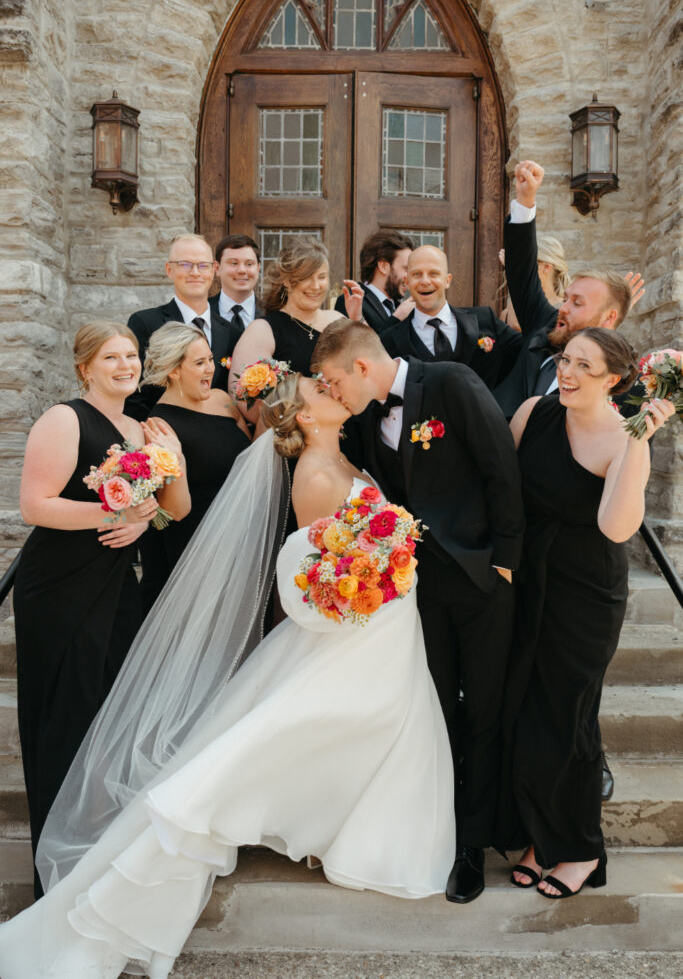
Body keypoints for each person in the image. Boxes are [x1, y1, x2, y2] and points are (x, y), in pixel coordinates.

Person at [0, 374, 455, 979]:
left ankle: (346, 828)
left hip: (387, 630)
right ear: (304, 413)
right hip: (356, 626)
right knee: (287, 739)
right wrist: (369, 580)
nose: (336, 391)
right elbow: (311, 570)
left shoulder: (347, 453)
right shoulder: (316, 475)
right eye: (322, 388)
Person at [312, 319, 525, 905]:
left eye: (332, 381)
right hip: (416, 589)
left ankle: (473, 847)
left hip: (481, 578)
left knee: (483, 711)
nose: (332, 393)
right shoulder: (361, 420)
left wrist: (505, 560)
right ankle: (441, 832)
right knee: (434, 710)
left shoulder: (451, 382)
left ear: (359, 367)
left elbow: (499, 464)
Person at [12, 321, 190, 899]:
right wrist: (116, 518)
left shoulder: (142, 429)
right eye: (110, 357)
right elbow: (35, 506)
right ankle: (54, 878)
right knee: (65, 717)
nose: (125, 366)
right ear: (85, 367)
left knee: (114, 716)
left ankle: (96, 855)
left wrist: (171, 468)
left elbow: (166, 512)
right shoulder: (64, 419)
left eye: (131, 356)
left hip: (116, 586)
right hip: (58, 588)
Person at [499, 328, 675, 899]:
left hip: (584, 595)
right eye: (564, 359)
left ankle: (577, 849)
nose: (567, 372)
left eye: (584, 365)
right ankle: (536, 835)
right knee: (523, 709)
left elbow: (617, 528)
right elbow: (502, 491)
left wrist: (640, 440)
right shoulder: (533, 412)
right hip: (525, 581)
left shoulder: (625, 439)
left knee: (567, 716)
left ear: (615, 381)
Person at [493, 161, 643, 420]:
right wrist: (525, 201)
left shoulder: (626, 387)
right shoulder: (544, 324)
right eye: (565, 299)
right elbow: (522, 274)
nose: (562, 308)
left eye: (577, 303)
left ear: (609, 318)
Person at [138, 322, 252, 611]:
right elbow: (172, 511)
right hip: (200, 545)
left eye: (211, 360)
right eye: (200, 363)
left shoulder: (223, 400)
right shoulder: (159, 426)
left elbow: (251, 455)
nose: (210, 369)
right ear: (174, 370)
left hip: (242, 532)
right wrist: (179, 462)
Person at [227, 236, 350, 426]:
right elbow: (244, 401)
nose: (316, 286)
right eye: (306, 278)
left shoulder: (339, 320)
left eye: (322, 277)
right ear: (286, 280)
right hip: (294, 438)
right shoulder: (263, 330)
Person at [125, 234, 241, 420]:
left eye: (203, 265)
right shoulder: (145, 323)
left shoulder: (232, 332)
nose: (195, 272)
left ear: (214, 270)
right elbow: (132, 390)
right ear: (169, 270)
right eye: (185, 265)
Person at [380, 245, 523, 390]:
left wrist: (517, 280)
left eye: (433, 273)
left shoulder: (485, 319)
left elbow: (528, 344)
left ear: (447, 280)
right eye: (417, 274)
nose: (425, 281)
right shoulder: (390, 340)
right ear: (407, 282)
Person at [333, 229, 415, 334]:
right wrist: (396, 318)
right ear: (383, 266)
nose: (410, 277)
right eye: (406, 269)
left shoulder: (400, 308)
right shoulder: (352, 301)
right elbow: (357, 348)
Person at [499, 234, 570, 331]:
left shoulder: (563, 311)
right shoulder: (506, 314)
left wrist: (514, 277)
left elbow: (517, 325)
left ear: (546, 267)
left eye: (527, 262)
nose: (521, 268)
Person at [209, 233, 264, 332]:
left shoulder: (273, 313)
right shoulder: (201, 312)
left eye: (249, 264)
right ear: (217, 268)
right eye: (234, 263)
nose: (242, 270)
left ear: (258, 268)